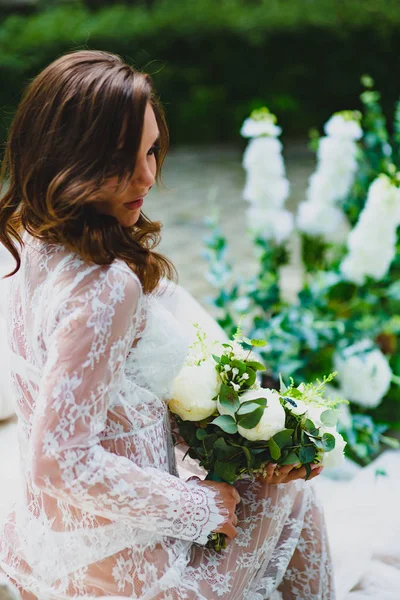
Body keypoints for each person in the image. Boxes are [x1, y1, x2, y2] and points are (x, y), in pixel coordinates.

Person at [0, 49, 335, 599]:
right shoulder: (106, 286)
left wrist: (256, 439)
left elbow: (98, 403)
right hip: (133, 569)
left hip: (47, 547)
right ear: (66, 159)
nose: (148, 176)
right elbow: (58, 461)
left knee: (273, 482)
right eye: (121, 160)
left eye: (152, 150)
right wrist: (197, 507)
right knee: (290, 498)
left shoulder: (25, 238)